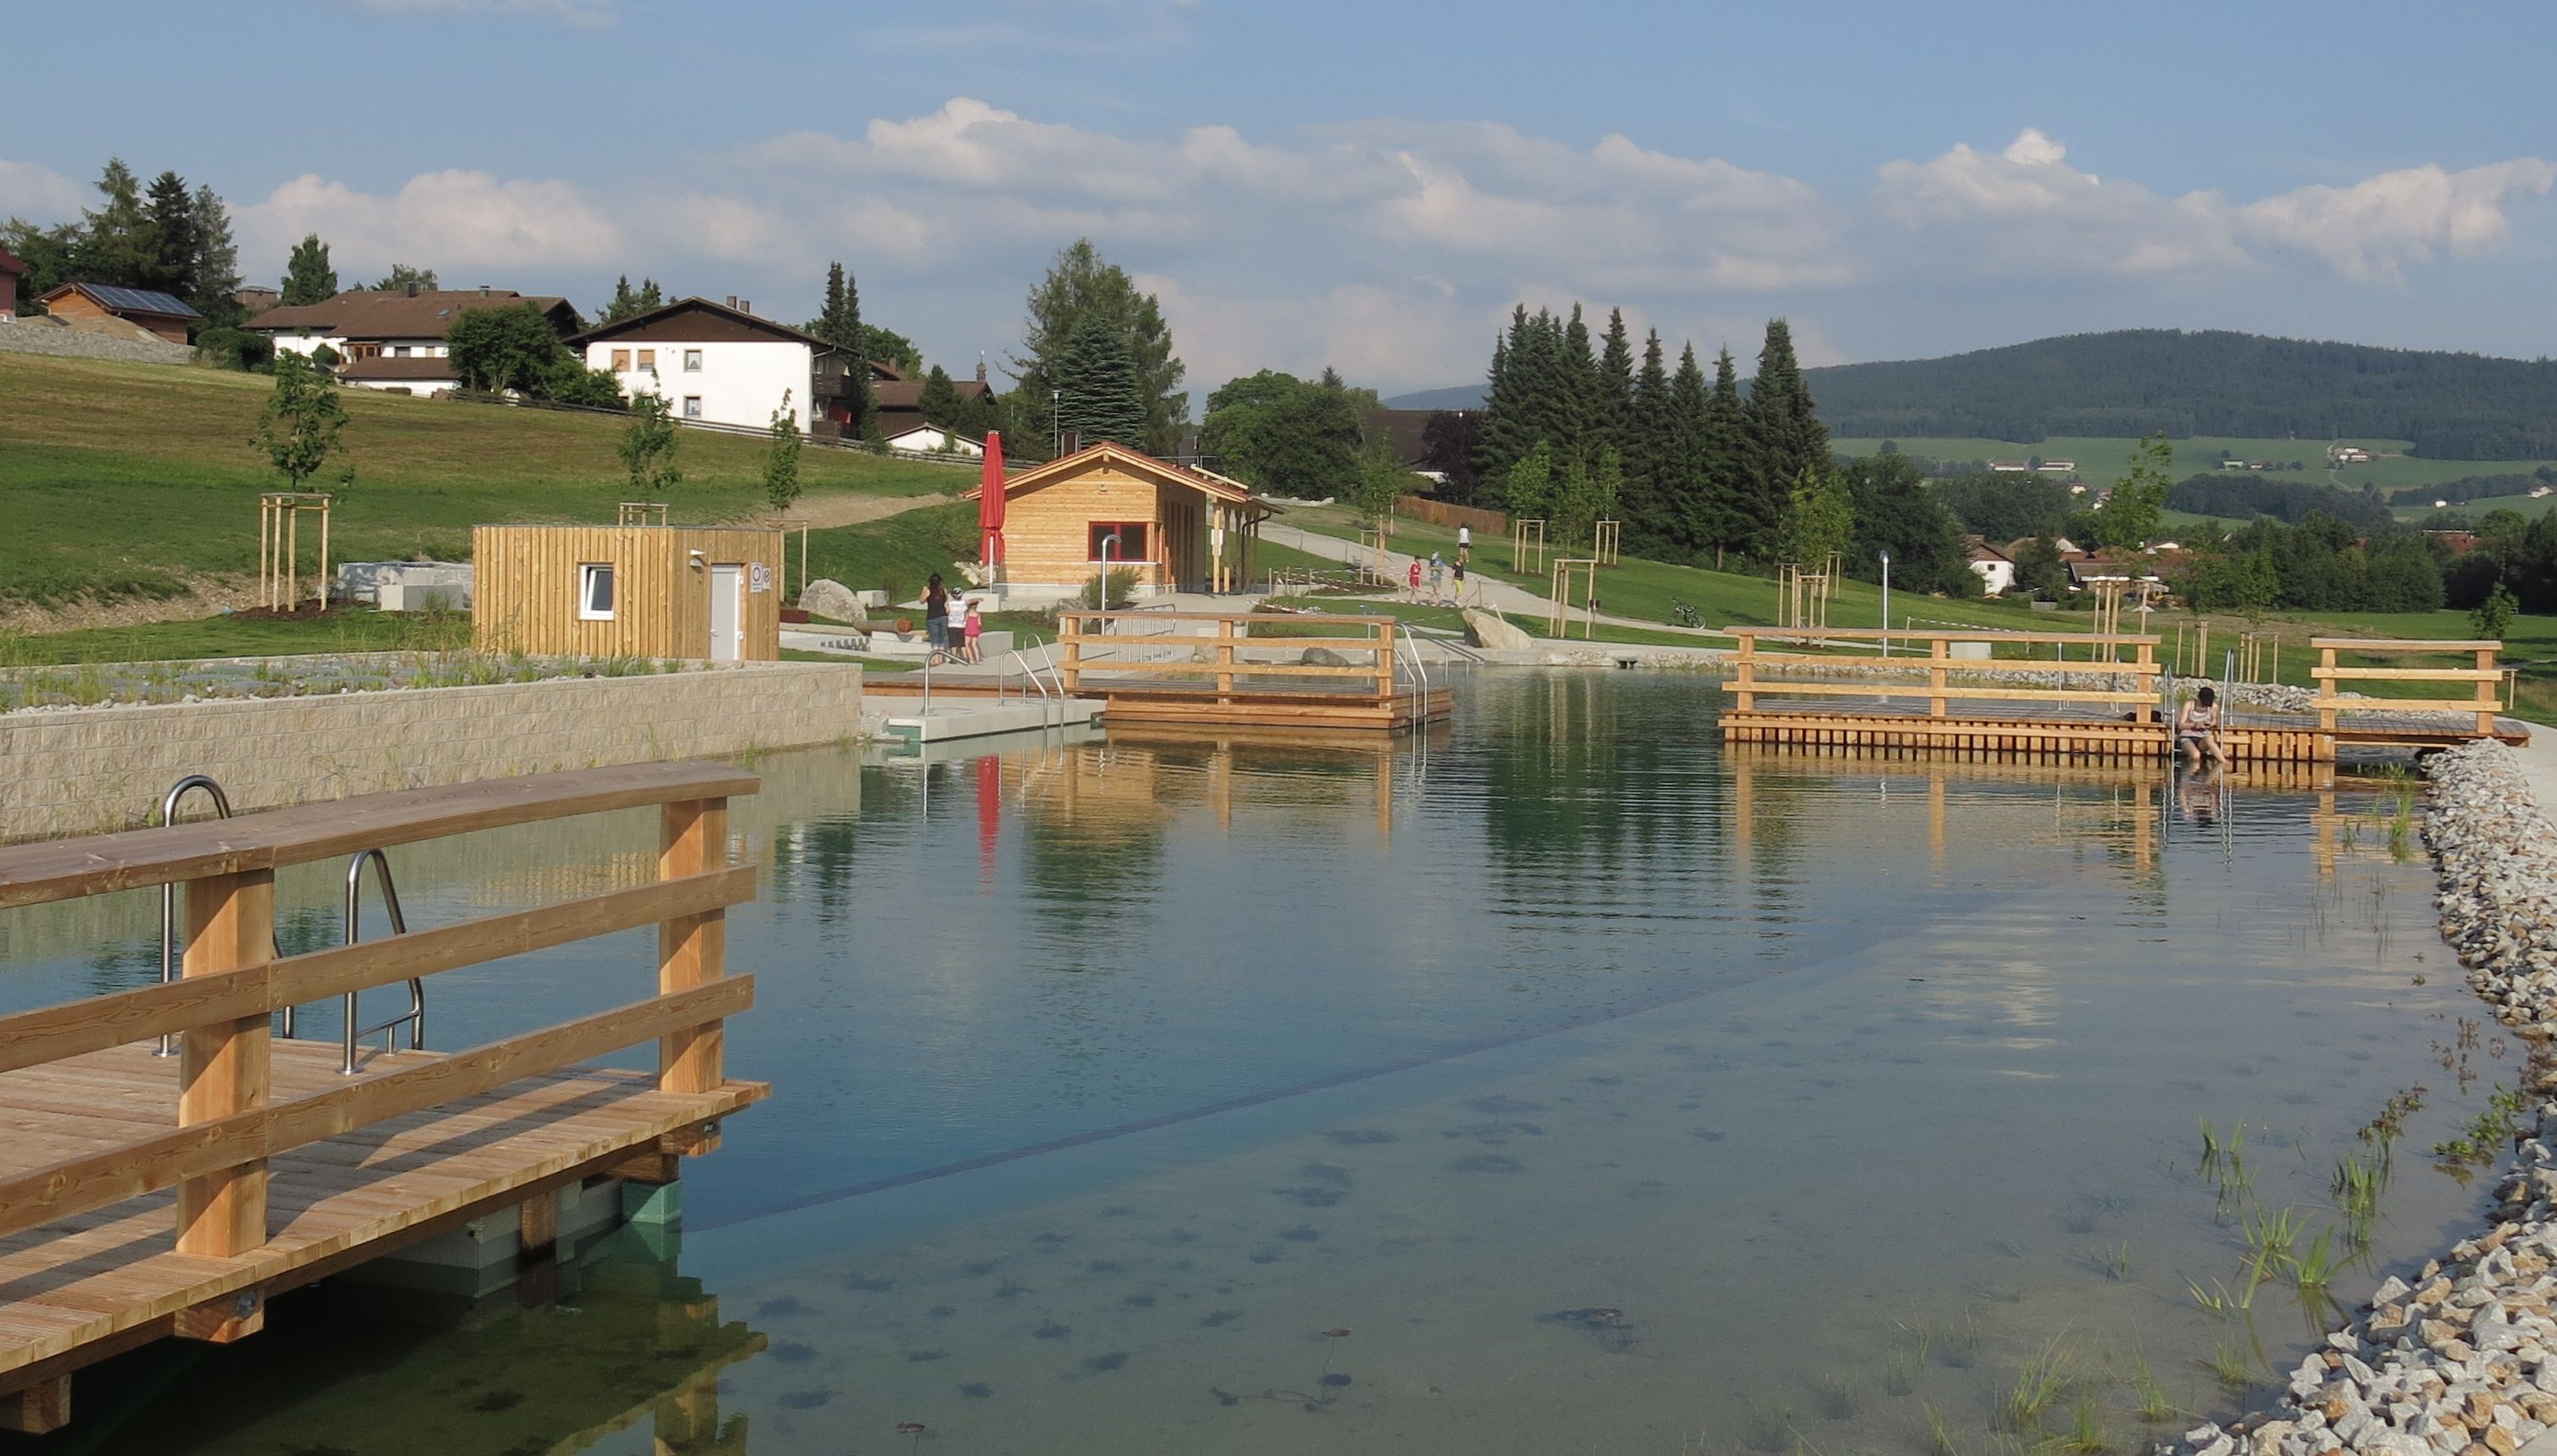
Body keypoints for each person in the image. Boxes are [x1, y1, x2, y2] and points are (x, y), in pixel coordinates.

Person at [2178, 685, 2228, 767]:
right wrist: (2194, 724)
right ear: (2199, 699)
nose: (2204, 706)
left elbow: (2214, 721)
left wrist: (2210, 724)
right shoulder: (2189, 705)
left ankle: (2223, 763)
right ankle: (2192, 771)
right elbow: (2181, 725)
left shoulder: (2213, 707)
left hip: (2202, 737)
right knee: (2196, 755)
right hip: (2187, 737)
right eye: (2203, 704)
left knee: (2209, 739)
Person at [923, 572, 953, 656]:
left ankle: (936, 658)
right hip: (943, 616)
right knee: (941, 639)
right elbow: (945, 600)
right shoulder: (943, 590)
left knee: (935, 639)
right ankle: (941, 657)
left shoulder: (928, 590)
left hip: (932, 616)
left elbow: (921, 601)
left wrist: (924, 591)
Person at [961, 598, 985, 664]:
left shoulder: (968, 613)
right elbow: (979, 624)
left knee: (967, 644)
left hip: (968, 630)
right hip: (975, 630)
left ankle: (971, 659)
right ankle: (977, 659)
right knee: (974, 645)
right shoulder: (978, 614)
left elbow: (965, 621)